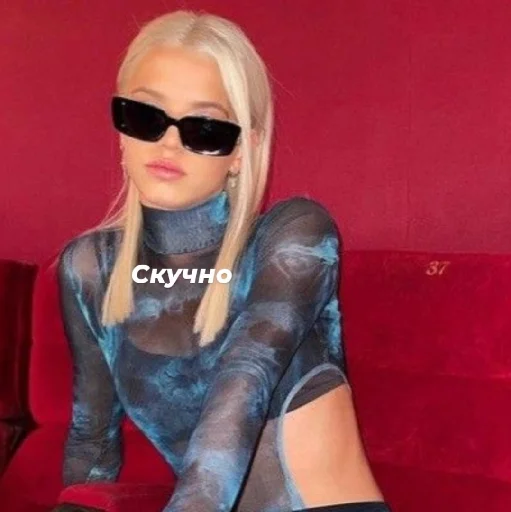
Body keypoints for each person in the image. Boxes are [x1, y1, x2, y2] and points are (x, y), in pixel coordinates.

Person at [56, 10, 391, 512]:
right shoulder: (89, 269)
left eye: (206, 128)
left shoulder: (295, 236)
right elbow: (92, 441)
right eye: (146, 116)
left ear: (241, 150)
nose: (169, 142)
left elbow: (242, 386)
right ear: (121, 129)